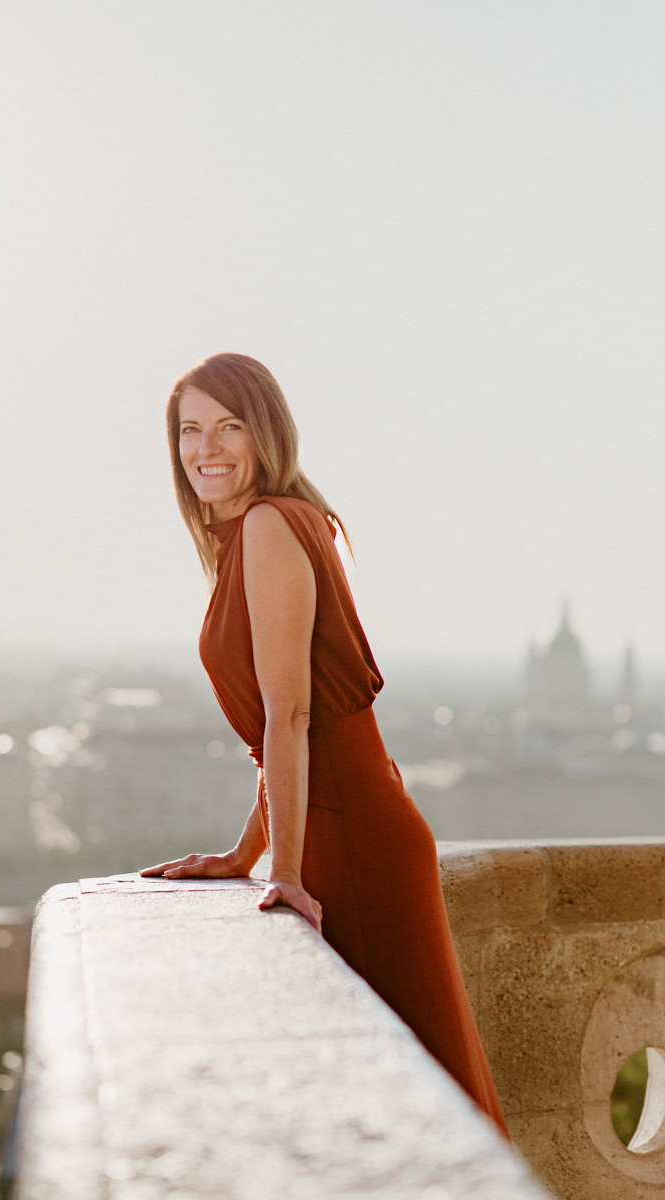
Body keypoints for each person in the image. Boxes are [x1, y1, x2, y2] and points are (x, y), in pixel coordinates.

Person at [141, 352, 509, 1138]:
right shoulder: (278, 525)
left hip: (351, 839)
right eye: (190, 430)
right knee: (417, 1093)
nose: (206, 448)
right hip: (352, 823)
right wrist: (245, 854)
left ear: (266, 433)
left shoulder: (269, 526)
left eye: (229, 426)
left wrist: (284, 871)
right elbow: (289, 734)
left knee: (421, 1105)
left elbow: (292, 716)